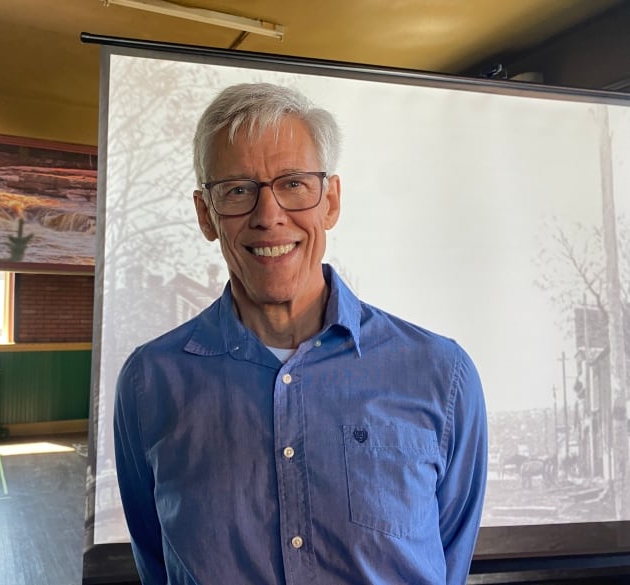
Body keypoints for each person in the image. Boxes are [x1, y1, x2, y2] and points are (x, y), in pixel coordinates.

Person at [114, 82, 487, 585]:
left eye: (293, 184)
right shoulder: (149, 383)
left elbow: (450, 559)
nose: (269, 216)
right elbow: (156, 561)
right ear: (207, 214)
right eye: (238, 190)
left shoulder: (442, 375)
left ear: (330, 201)